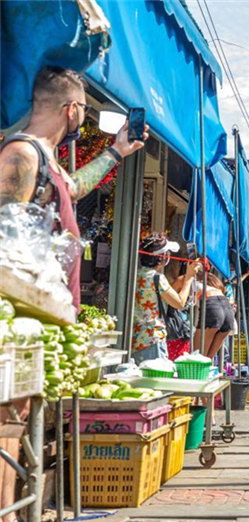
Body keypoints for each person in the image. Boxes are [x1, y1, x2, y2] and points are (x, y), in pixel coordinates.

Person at [0, 66, 147, 310]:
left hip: (45, 316)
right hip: (23, 320)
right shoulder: (23, 154)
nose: (82, 115)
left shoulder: (45, 159)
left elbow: (73, 187)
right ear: (71, 110)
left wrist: (117, 151)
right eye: (84, 108)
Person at [132, 234, 201, 364]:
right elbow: (179, 303)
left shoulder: (136, 274)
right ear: (163, 257)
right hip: (152, 338)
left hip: (135, 338)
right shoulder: (157, 278)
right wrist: (189, 277)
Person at [195, 272, 236, 359]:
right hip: (227, 310)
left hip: (213, 309)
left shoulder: (196, 283)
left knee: (198, 356)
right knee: (208, 359)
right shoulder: (217, 289)